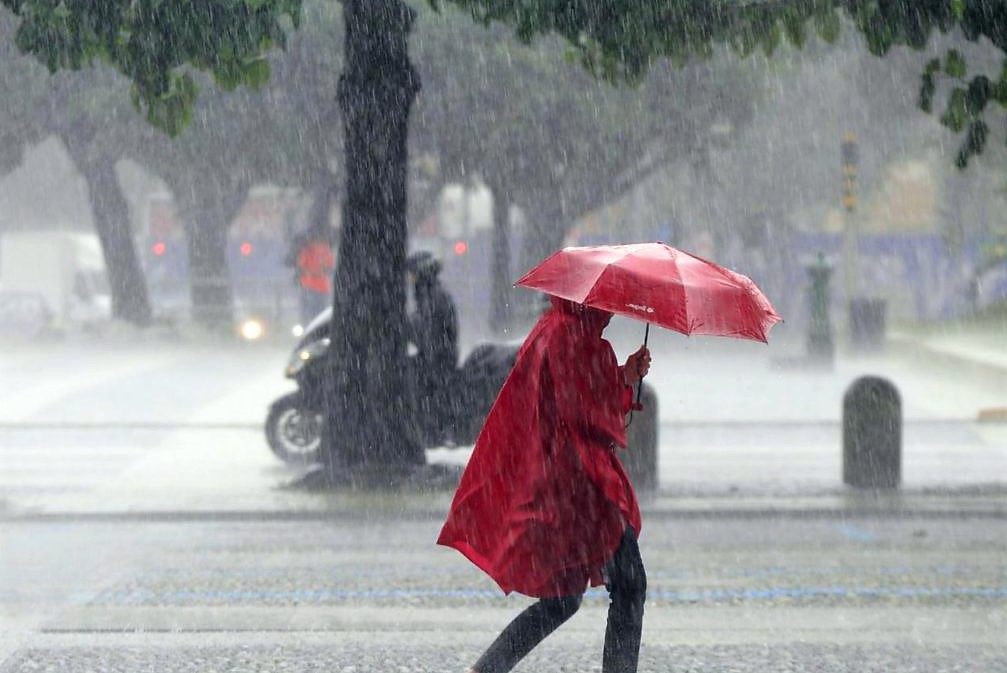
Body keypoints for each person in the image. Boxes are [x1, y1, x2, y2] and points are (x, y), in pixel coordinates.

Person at [438, 296, 652, 673]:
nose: (615, 308)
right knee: (629, 585)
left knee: (562, 598)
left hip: (556, 484)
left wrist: (621, 376)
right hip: (584, 489)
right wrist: (618, 383)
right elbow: (587, 414)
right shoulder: (578, 340)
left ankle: (485, 669)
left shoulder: (552, 329)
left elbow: (572, 400)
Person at [406, 250, 459, 442]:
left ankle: (436, 435)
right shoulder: (430, 293)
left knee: (431, 396)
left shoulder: (433, 295)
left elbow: (428, 330)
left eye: (411, 273)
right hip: (437, 356)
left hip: (438, 358)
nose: (409, 278)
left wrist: (405, 325)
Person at [286, 226, 337, 325]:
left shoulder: (307, 250)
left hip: (308, 286)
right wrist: (320, 271)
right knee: (319, 312)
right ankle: (317, 328)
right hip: (321, 287)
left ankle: (307, 327)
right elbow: (330, 268)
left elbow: (301, 267)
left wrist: (309, 273)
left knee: (306, 311)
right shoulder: (325, 250)